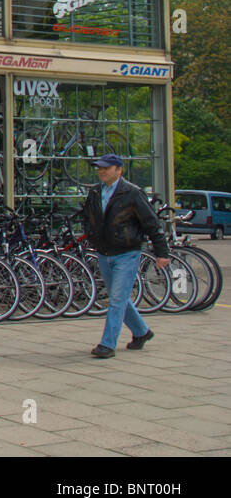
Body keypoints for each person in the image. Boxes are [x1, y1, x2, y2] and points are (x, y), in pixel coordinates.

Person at [81, 153, 169, 358]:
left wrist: (161, 252)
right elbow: (88, 217)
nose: (101, 171)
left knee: (116, 299)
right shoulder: (95, 192)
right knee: (118, 297)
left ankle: (107, 344)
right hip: (104, 252)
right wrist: (91, 235)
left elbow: (151, 223)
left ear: (119, 170)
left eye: (106, 168)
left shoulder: (132, 193)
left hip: (127, 252)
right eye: (99, 167)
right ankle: (141, 332)